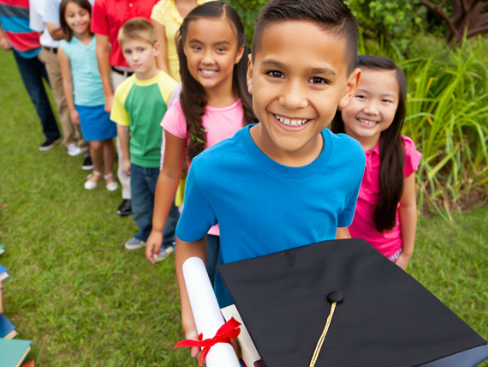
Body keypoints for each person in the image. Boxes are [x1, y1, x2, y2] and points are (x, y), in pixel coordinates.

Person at [172, 0, 365, 359]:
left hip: (317, 322)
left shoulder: (350, 159)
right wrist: (194, 318)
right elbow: (189, 240)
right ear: (250, 71)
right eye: (275, 73)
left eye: (318, 79)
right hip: (241, 333)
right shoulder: (211, 169)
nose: (292, 99)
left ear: (349, 86)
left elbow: (339, 230)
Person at [144, 1, 255, 284]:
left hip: (251, 227)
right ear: (183, 49)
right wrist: (158, 228)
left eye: (220, 48)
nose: (207, 58)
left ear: (239, 52)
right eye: (197, 47)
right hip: (203, 230)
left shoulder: (258, 107)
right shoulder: (180, 112)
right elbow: (170, 173)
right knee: (206, 297)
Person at [331, 56, 420, 270]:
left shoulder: (402, 151)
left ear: (398, 107)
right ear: (343, 96)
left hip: (390, 254)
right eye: (361, 96)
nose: (371, 109)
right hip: (342, 256)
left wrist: (406, 254)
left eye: (385, 100)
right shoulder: (325, 152)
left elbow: (408, 205)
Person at [109, 19, 180, 259]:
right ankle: (145, 231)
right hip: (138, 161)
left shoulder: (170, 88)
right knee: (139, 204)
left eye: (141, 49)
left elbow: (179, 129)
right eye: (129, 51)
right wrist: (126, 159)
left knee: (167, 205)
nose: (135, 57)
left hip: (163, 164)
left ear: (156, 49)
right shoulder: (124, 89)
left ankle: (169, 238)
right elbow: (122, 126)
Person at [92, 0, 160, 216]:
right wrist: (108, 92)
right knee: (124, 131)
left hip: (152, 73)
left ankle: (160, 187)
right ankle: (129, 192)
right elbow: (102, 48)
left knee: (155, 129)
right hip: (120, 75)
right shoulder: (102, 4)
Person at [0, 0, 61, 150]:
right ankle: (52, 134)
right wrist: (1, 35)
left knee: (61, 94)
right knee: (37, 96)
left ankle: (78, 137)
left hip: (44, 49)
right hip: (20, 51)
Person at [58, 0, 119, 191]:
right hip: (85, 104)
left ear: (91, 14)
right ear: (64, 19)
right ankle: (97, 171)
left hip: (106, 99)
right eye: (71, 15)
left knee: (108, 140)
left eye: (82, 13)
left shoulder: (102, 41)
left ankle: (109, 173)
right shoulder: (64, 47)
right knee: (95, 143)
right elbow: (67, 81)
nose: (78, 19)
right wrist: (72, 108)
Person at [30, 0, 94, 170]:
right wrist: (84, 27)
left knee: (85, 96)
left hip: (86, 48)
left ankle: (90, 145)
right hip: (55, 52)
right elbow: (51, 32)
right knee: (64, 99)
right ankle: (76, 143)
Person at [150, 0, 212, 82]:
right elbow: (160, 61)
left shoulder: (210, 4)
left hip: (206, 76)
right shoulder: (161, 9)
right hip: (173, 81)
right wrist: (171, 88)